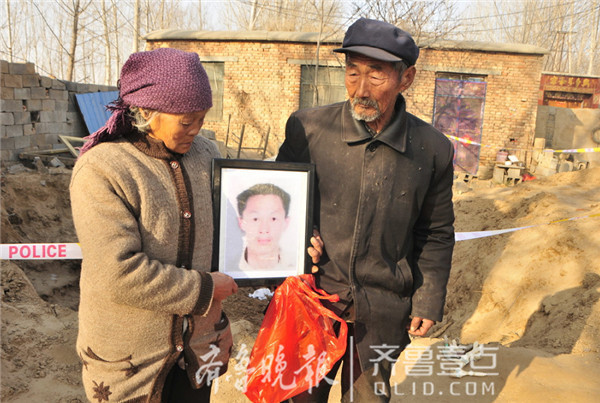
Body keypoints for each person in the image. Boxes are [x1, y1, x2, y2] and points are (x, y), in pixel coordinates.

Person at [277, 18, 455, 402]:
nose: (361, 89)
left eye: (376, 75)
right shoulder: (308, 129)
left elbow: (436, 232)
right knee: (299, 396)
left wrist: (427, 298)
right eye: (352, 72)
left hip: (383, 306)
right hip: (315, 298)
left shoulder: (432, 149)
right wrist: (298, 236)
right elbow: (278, 202)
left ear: (406, 79)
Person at [70, 47, 238, 402]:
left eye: (202, 119)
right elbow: (118, 273)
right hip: (131, 363)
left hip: (197, 351)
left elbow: (235, 223)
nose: (196, 130)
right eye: (186, 121)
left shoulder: (207, 155)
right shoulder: (104, 169)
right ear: (147, 112)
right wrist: (205, 288)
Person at [235, 183, 294, 271]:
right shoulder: (228, 270)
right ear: (241, 222)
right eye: (255, 219)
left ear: (286, 223)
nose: (264, 229)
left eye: (273, 219)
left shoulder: (297, 268)